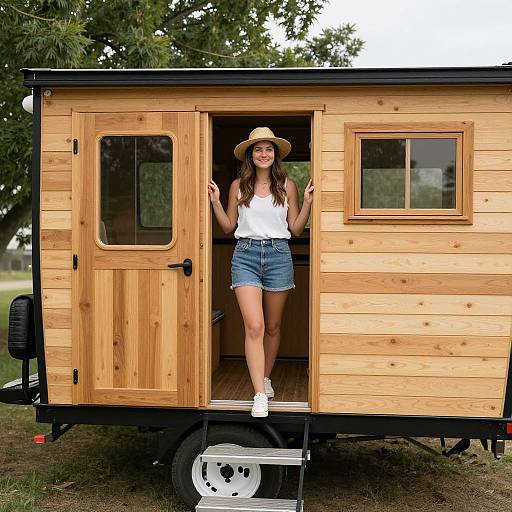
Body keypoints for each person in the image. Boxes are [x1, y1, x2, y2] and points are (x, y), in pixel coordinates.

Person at [208, 127, 314, 417]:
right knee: (254, 326)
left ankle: (265, 378)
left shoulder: (287, 186)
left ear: (274, 155)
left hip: (279, 255)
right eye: (258, 149)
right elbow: (228, 227)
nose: (263, 154)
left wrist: (306, 203)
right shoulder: (237, 187)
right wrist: (216, 202)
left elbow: (295, 229)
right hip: (245, 255)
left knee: (272, 327)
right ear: (250, 155)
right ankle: (258, 395)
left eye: (268, 149)